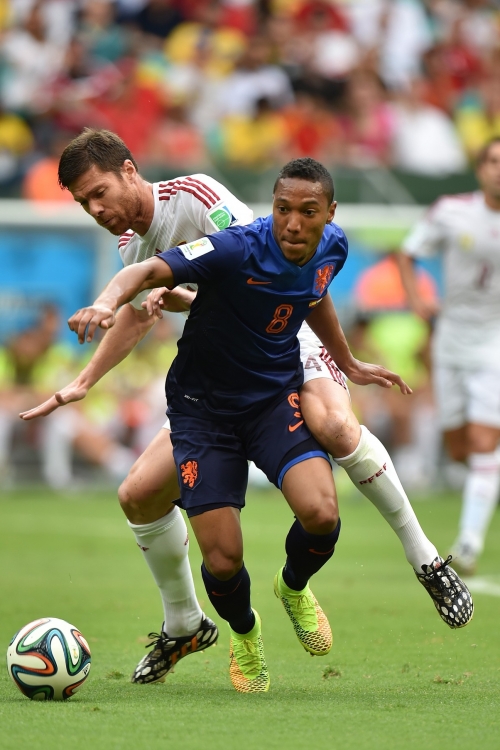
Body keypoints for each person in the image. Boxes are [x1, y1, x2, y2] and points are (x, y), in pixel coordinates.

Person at [21, 131, 471, 688]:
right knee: (138, 495)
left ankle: (424, 558)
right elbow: (141, 313)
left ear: (129, 171)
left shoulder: (195, 197)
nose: (95, 209)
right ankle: (186, 623)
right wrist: (84, 381)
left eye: (99, 193)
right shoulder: (132, 247)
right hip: (217, 380)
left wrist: (345, 359)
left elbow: (275, 270)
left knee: (334, 427)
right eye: (83, 202)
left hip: (286, 343)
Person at [398, 136, 500, 576]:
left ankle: (469, 544)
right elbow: (408, 252)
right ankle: (488, 477)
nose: (499, 169)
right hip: (450, 338)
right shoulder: (451, 211)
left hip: (494, 341)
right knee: (460, 447)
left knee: (483, 441)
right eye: (493, 161)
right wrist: (416, 300)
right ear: (480, 168)